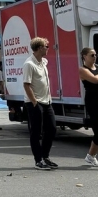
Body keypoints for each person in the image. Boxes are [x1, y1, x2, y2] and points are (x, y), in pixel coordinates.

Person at [23, 37, 57, 170]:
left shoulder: (44, 61)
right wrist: (34, 103)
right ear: (39, 48)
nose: (48, 48)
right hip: (35, 103)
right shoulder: (29, 64)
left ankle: (45, 156)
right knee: (36, 132)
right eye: (46, 46)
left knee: (52, 129)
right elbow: (26, 85)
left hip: (47, 101)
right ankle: (38, 160)